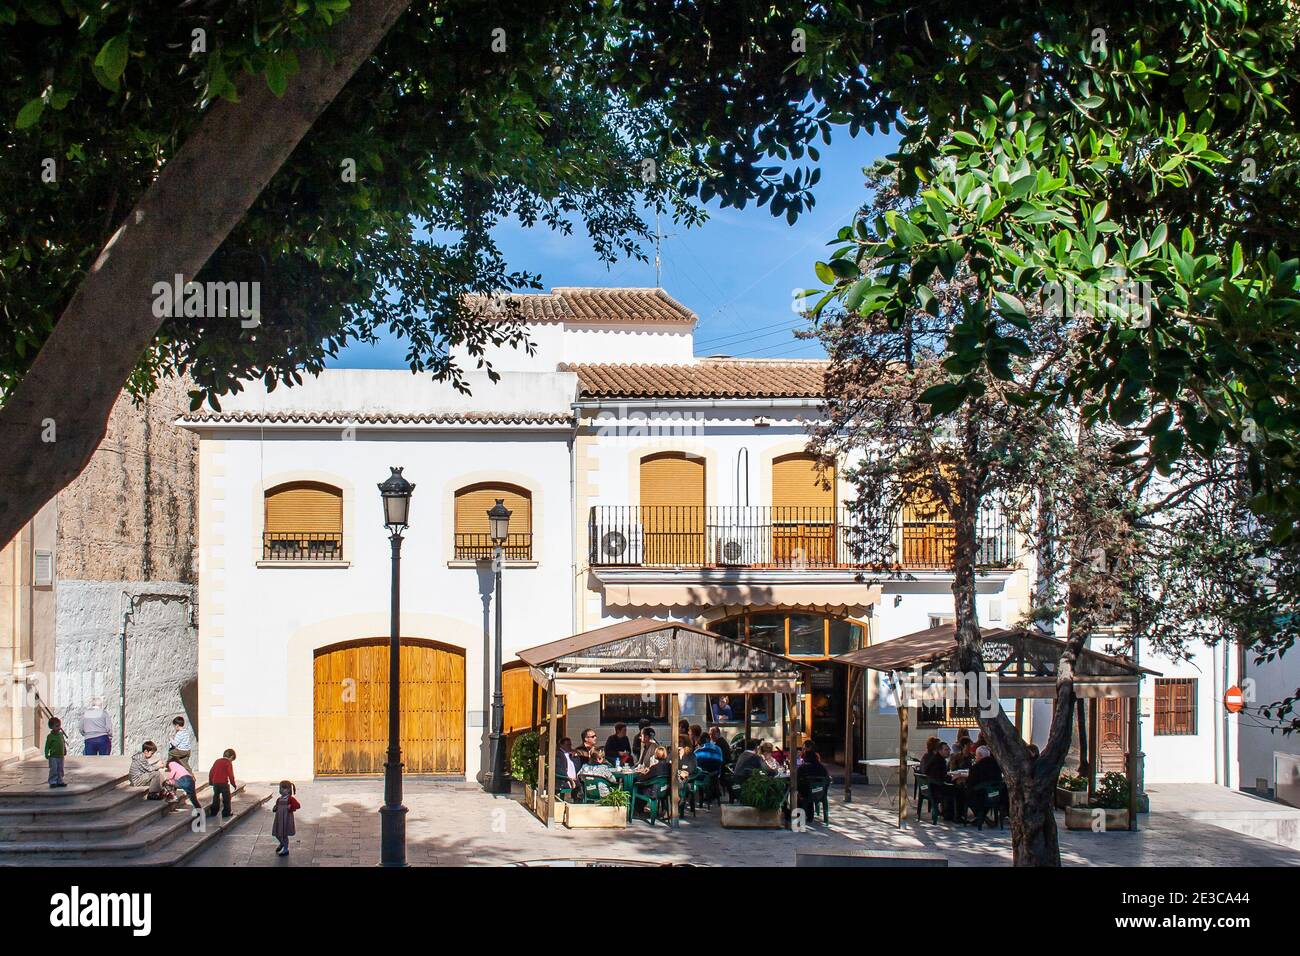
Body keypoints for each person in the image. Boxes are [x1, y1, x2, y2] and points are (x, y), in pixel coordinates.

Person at [796, 747, 831, 816]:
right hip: (820, 792)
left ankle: (799, 814)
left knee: (799, 790)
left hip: (806, 793)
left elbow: (797, 779)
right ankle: (810, 814)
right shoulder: (822, 767)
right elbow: (827, 779)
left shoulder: (802, 767)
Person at [206, 749, 238, 819]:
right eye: (232, 760)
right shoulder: (228, 763)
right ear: (231, 757)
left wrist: (211, 781)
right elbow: (230, 774)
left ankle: (213, 812)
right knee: (226, 798)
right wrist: (233, 784)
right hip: (223, 783)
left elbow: (211, 771)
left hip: (215, 783)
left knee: (216, 797)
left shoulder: (217, 761)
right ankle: (226, 813)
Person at [271, 781, 300, 857]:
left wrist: (290, 807)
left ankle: (286, 849)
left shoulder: (290, 799)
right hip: (279, 819)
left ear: (289, 790)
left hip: (286, 819)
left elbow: (298, 805)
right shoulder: (279, 799)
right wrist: (275, 808)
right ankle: (282, 843)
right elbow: (276, 807)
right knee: (277, 834)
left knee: (284, 835)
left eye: (283, 788)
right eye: (280, 788)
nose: (281, 790)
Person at [44, 716, 67, 788]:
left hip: (61, 756)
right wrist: (46, 753)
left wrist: (64, 749)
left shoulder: (60, 735)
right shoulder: (50, 736)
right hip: (53, 756)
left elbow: (62, 742)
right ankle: (53, 781)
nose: (59, 727)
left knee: (60, 769)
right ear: (52, 727)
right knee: (54, 769)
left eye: (59, 725)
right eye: (56, 726)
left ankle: (60, 780)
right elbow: (47, 745)